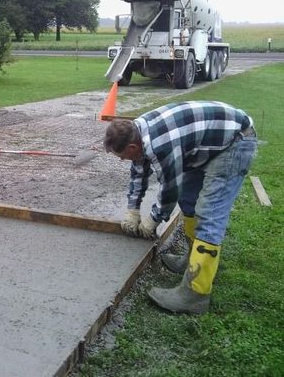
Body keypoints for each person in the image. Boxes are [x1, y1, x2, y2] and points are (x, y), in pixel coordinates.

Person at [103, 101, 257, 314]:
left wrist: (154, 218)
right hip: (206, 143)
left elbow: (170, 188)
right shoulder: (136, 132)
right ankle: (191, 260)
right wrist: (133, 211)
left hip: (234, 143)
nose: (121, 160)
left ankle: (195, 294)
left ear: (132, 147)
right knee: (188, 200)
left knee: (209, 214)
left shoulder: (159, 144)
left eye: (122, 156)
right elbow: (139, 171)